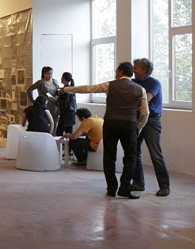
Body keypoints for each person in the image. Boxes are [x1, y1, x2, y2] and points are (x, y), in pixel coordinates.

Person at [61, 61, 148, 199]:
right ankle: (125, 188)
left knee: (109, 157)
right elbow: (145, 113)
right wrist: (138, 127)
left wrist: (66, 89)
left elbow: (88, 89)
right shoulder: (140, 89)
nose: (115, 73)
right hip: (129, 124)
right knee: (131, 157)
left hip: (111, 123)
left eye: (116, 71)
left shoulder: (110, 85)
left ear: (120, 72)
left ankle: (111, 189)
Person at [131, 58, 170, 196]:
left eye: (136, 67)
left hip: (152, 121)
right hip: (136, 120)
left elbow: (146, 99)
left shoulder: (154, 83)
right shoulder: (133, 82)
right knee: (134, 152)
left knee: (155, 154)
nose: (134, 70)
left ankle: (164, 186)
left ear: (145, 70)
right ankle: (138, 183)